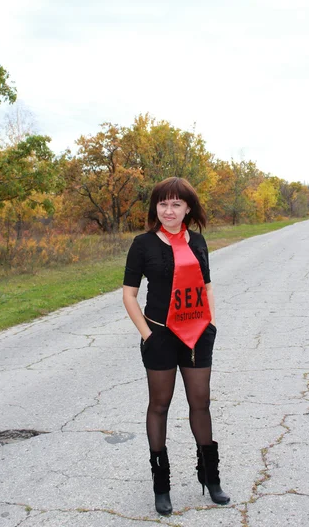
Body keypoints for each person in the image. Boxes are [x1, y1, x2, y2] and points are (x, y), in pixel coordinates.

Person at [123, 176, 230, 516]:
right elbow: (129, 295)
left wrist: (210, 321)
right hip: (160, 334)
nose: (169, 210)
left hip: (197, 333)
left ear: (187, 208)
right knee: (160, 405)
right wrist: (147, 334)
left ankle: (210, 477)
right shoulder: (143, 244)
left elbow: (207, 284)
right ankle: (161, 485)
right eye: (163, 204)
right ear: (156, 207)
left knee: (201, 402)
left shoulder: (198, 241)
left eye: (176, 204)